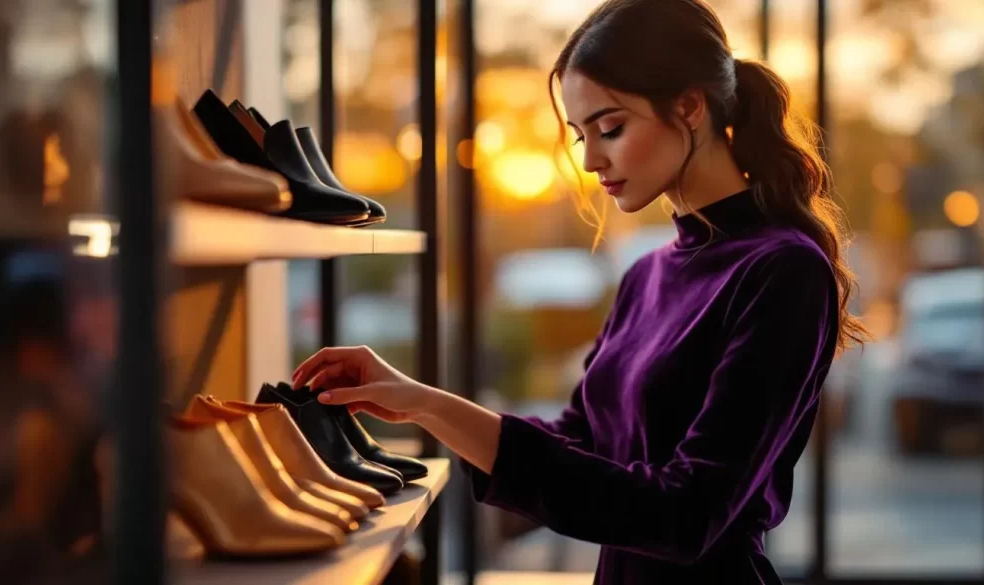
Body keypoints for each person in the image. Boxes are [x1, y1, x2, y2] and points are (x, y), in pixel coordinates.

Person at [292, 0, 870, 582]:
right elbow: (581, 440)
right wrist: (418, 400)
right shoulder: (647, 274)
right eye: (581, 135)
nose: (592, 159)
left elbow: (685, 515)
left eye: (611, 128)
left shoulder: (783, 270)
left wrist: (431, 407)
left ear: (691, 107)